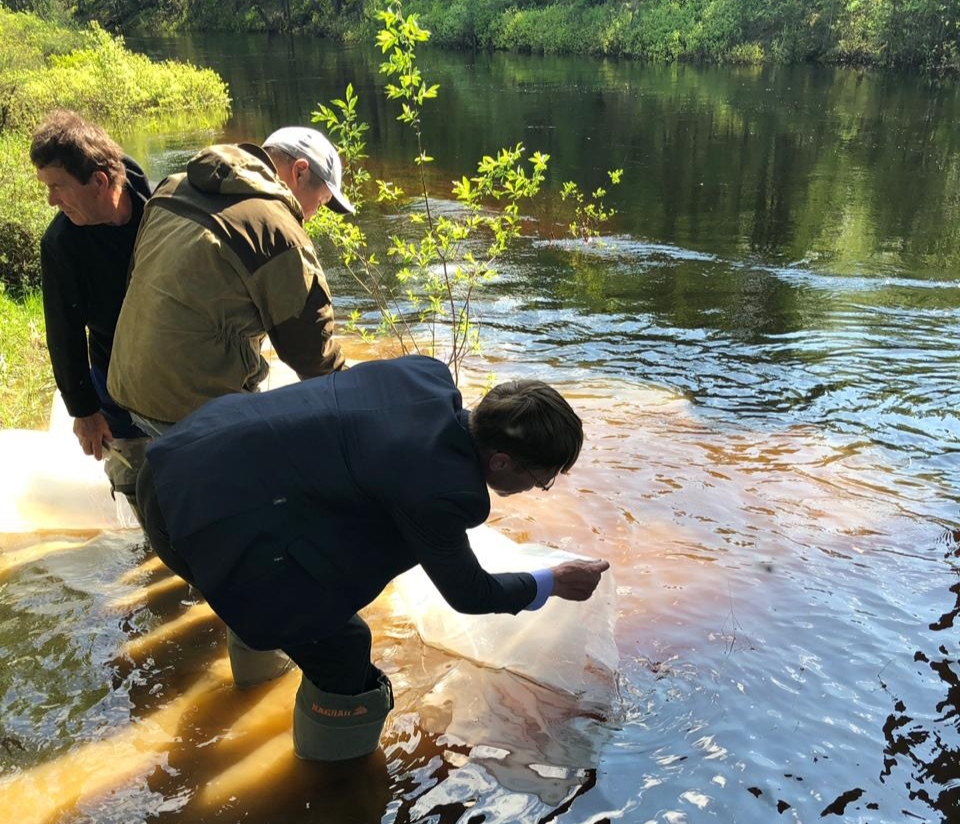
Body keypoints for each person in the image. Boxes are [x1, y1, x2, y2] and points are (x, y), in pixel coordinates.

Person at [136, 354, 610, 762]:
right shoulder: (447, 491)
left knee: (281, 583)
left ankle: (252, 684)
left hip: (179, 458)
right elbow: (469, 593)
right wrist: (553, 581)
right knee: (343, 649)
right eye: (541, 477)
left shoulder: (423, 377)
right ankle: (329, 784)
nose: (537, 489)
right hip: (193, 520)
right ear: (502, 461)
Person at [107, 126, 353, 438]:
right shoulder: (277, 230)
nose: (314, 214)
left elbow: (136, 274)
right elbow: (311, 355)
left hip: (128, 386)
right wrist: (359, 394)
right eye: (322, 201)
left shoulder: (173, 186)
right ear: (300, 172)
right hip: (186, 406)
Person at [30, 110, 153, 523]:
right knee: (139, 487)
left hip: (175, 363)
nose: (51, 200)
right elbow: (63, 334)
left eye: (58, 187)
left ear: (100, 182)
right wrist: (84, 411)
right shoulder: (62, 244)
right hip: (114, 374)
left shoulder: (155, 200)